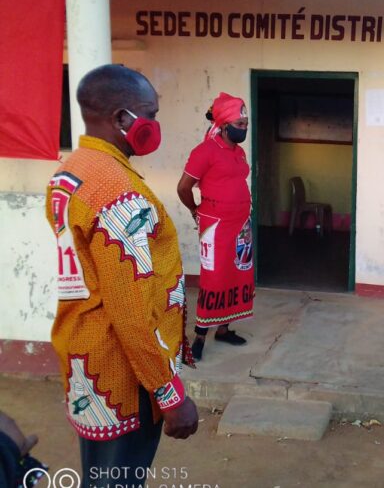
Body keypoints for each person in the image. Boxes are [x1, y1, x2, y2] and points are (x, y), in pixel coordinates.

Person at [45, 64, 198, 487]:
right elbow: (130, 311)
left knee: (101, 476)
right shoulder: (117, 193)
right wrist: (169, 394)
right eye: (150, 113)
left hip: (85, 361)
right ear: (121, 119)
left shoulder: (72, 171)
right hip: (123, 377)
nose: (155, 123)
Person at [177, 92, 255, 361]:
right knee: (214, 277)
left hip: (240, 224)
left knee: (237, 273)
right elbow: (183, 187)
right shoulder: (205, 152)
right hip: (215, 226)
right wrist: (194, 209)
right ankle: (200, 335)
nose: (244, 129)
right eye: (240, 124)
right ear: (224, 125)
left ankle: (224, 329)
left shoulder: (240, 152)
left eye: (246, 125)